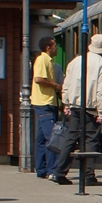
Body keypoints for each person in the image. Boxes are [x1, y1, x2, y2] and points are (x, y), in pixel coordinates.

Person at [50, 33, 102, 186]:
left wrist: (66, 103)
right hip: (91, 108)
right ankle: (89, 176)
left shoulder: (75, 61)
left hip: (74, 106)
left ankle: (60, 172)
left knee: (70, 139)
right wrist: (101, 112)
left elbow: (67, 84)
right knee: (91, 141)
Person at [31, 37, 62, 180]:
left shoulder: (49, 61)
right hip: (44, 102)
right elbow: (38, 79)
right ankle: (52, 169)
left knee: (41, 138)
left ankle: (41, 169)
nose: (56, 48)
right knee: (52, 137)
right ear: (48, 47)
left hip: (46, 101)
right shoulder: (43, 60)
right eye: (54, 45)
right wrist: (55, 85)